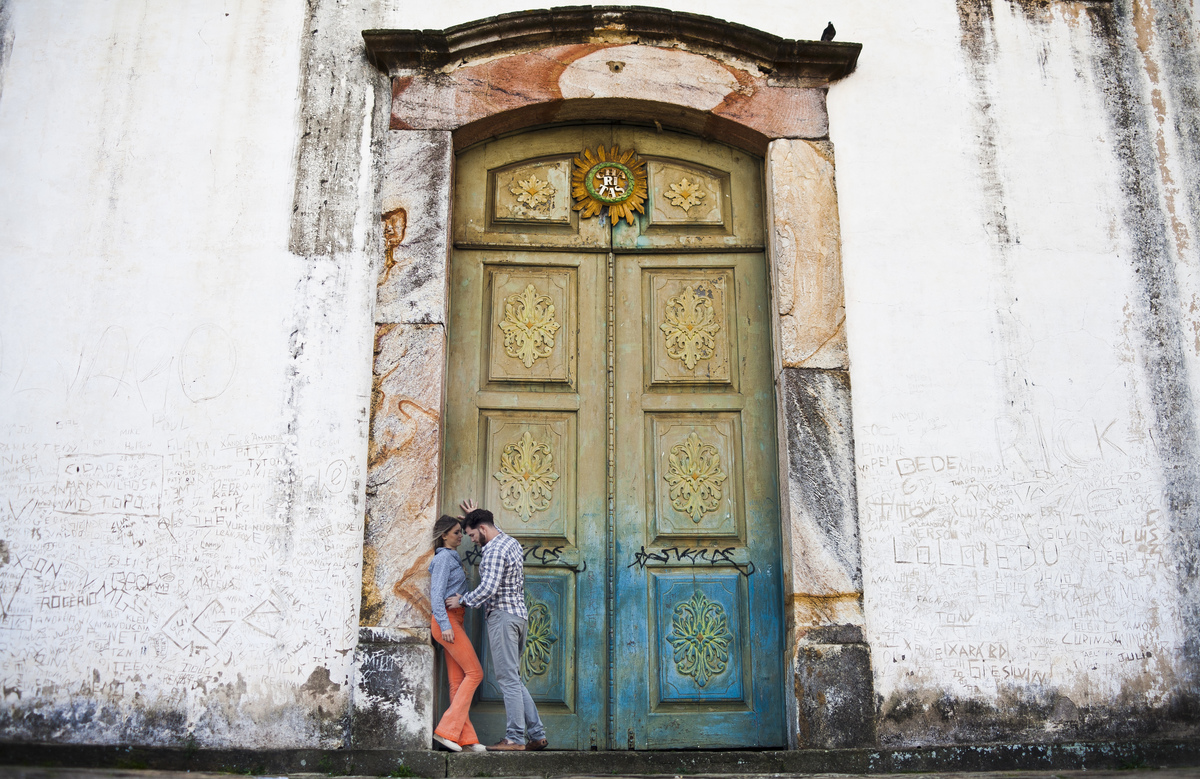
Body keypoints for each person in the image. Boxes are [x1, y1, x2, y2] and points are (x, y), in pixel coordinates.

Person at [446, 501, 548, 752]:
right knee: (514, 679)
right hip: (519, 618)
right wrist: (475, 517)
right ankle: (537, 735)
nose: (471, 540)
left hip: (503, 618)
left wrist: (462, 600)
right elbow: (492, 529)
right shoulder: (509, 542)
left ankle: (514, 738)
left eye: (472, 535)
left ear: (482, 529)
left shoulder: (493, 551)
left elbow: (488, 588)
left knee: (508, 680)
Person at [428, 514, 486, 752]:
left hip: (455, 621)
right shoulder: (443, 558)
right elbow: (436, 595)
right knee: (475, 673)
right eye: (456, 532)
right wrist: (445, 625)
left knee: (457, 681)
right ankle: (446, 731)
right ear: (444, 535)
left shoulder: (452, 557)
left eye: (462, 532)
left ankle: (465, 739)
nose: (461, 536)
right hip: (447, 622)